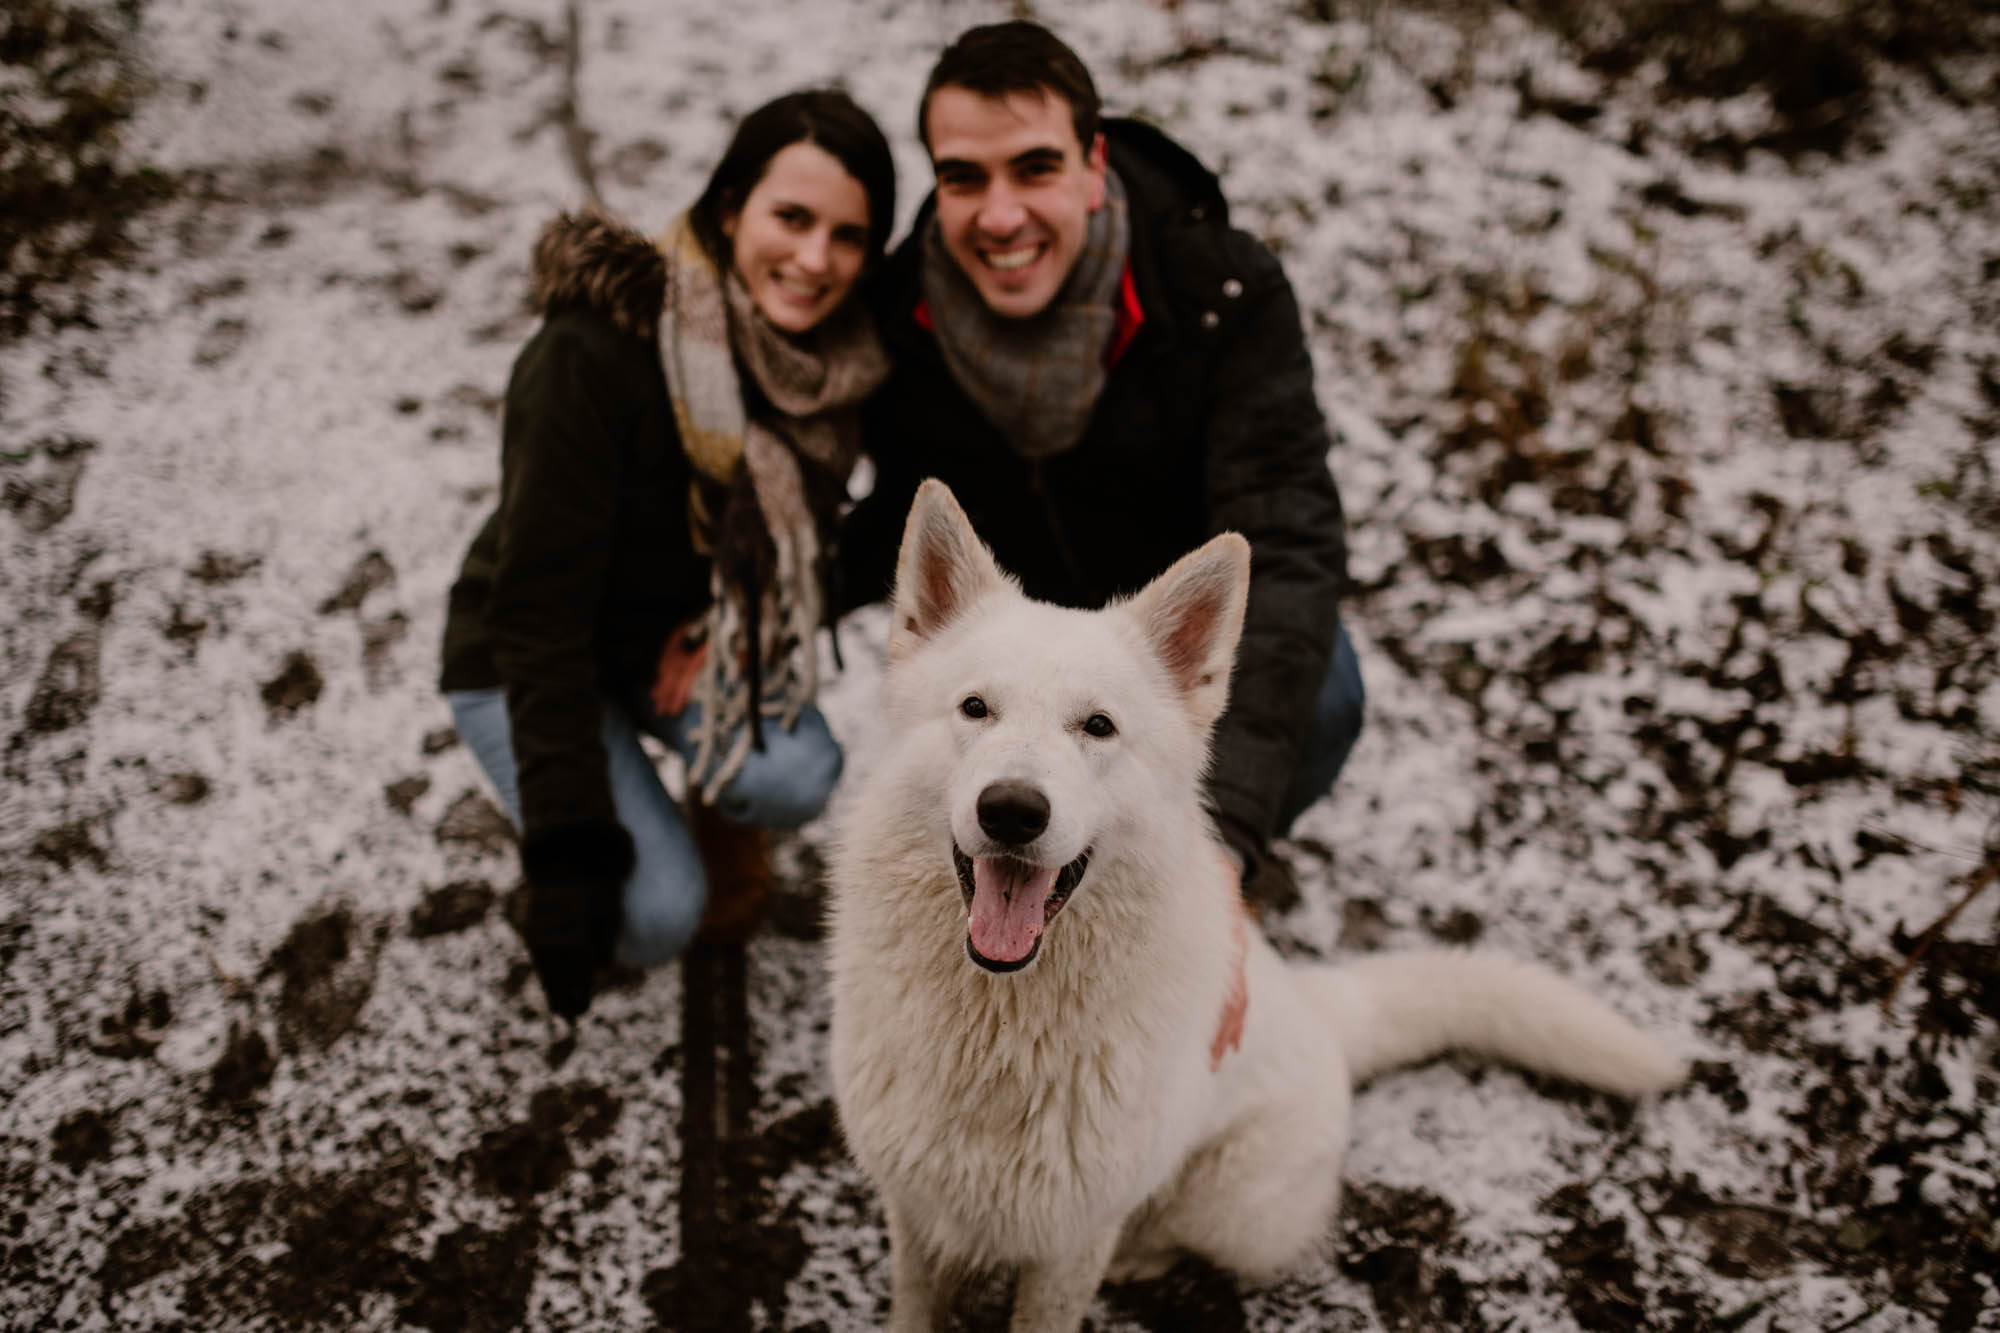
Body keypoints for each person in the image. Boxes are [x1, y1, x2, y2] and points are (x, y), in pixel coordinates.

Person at [842, 21, 1363, 906]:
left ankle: (1171, 857)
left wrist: (1228, 836)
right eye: (963, 177)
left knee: (1321, 697)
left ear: (1093, 164)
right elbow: (896, 500)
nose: (999, 216)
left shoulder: (1219, 294)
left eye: (1034, 168)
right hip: (1015, 630)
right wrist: (744, 610)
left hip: (1154, 630)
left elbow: (1282, 536)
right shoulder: (902, 311)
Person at [440, 89, 896, 1018]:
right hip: (525, 655)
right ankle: (577, 797)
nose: (815, 261)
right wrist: (568, 856)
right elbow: (535, 618)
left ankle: (704, 811)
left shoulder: (834, 369)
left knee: (796, 770)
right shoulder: (596, 352)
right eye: (792, 218)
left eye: (848, 236)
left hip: (666, 643)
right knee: (652, 915)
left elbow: (853, 541)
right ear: (731, 210)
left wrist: (719, 624)